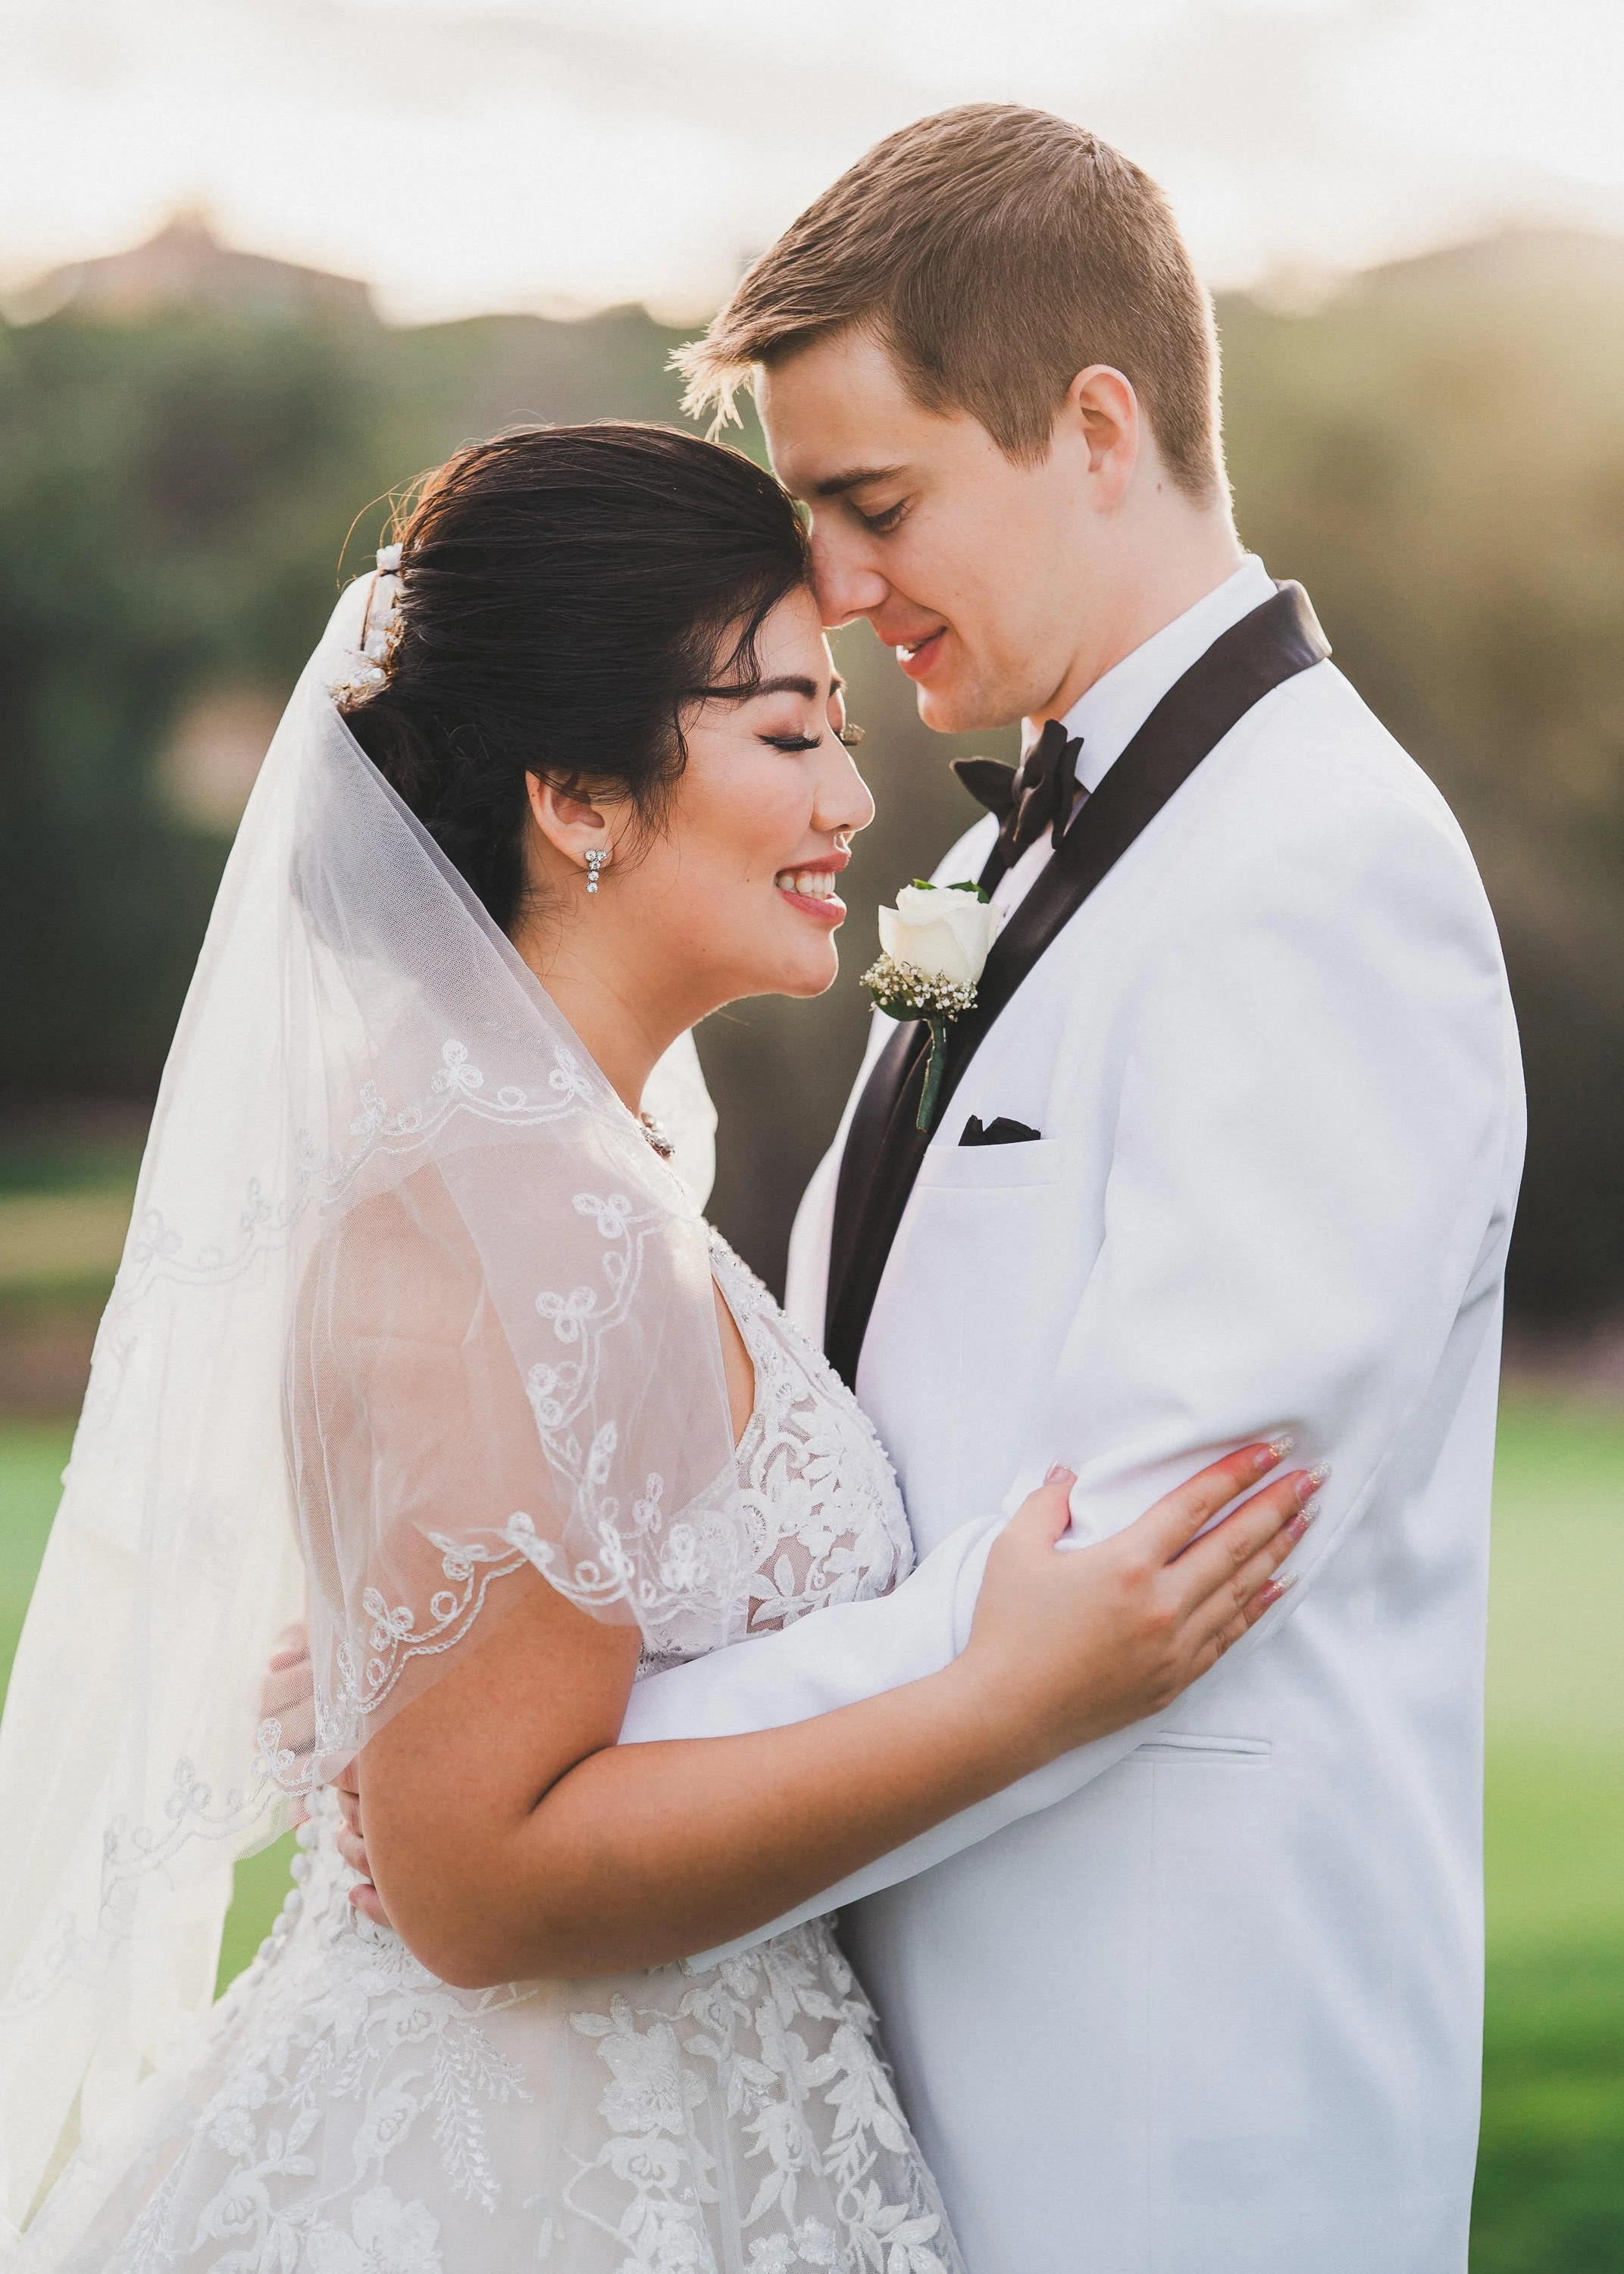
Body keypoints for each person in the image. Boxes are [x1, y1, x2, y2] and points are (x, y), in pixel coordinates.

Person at [0, 424, 1312, 2271]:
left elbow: (539, 1688)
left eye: (841, 731)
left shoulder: (573, 1179)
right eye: (787, 734)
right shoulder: (494, 1217)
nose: (856, 801)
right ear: (578, 796)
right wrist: (1008, 1701)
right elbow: (471, 1886)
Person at [578, 105, 1525, 2274]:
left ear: (1094, 426)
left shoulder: (1317, 875)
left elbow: (1137, 1567)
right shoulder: (1024, 854)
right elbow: (884, 1465)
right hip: (919, 2077)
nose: (821, 585)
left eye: (870, 499)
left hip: (1170, 2120)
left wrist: (596, 1767)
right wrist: (532, 1624)